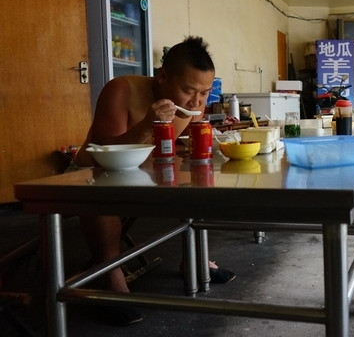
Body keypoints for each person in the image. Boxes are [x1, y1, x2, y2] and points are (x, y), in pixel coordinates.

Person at [76, 36, 235, 325]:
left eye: (205, 92)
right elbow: (101, 153)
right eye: (189, 90)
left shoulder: (194, 104)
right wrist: (148, 123)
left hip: (149, 172)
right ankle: (110, 273)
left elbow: (191, 137)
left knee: (200, 176)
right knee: (99, 189)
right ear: (162, 77)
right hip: (94, 174)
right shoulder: (122, 90)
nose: (197, 102)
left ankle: (195, 258)